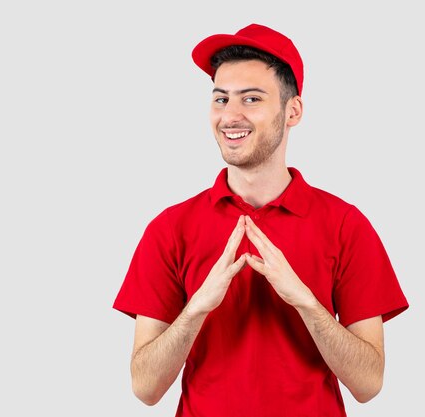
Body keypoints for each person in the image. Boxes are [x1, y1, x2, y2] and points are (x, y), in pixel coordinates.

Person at [113, 23, 409, 417]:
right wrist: (197, 307)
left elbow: (369, 385)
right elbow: (145, 388)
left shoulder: (346, 225)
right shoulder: (170, 228)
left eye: (251, 99)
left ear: (293, 111)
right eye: (221, 99)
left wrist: (305, 300)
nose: (230, 115)